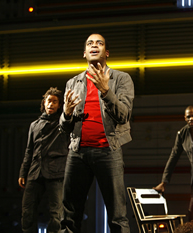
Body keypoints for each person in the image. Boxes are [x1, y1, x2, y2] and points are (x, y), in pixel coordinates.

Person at [60, 33, 134, 233]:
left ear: (106, 52)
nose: (94, 46)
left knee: (118, 215)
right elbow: (64, 127)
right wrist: (66, 114)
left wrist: (105, 91)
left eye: (99, 43)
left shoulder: (121, 79)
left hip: (108, 151)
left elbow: (124, 115)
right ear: (84, 53)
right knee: (69, 215)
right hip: (77, 152)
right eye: (90, 44)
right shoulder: (72, 83)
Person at [18, 87, 69, 233]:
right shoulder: (34, 125)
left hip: (56, 172)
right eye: (49, 101)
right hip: (35, 172)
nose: (51, 104)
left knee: (57, 214)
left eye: (55, 102)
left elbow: (69, 121)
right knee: (27, 211)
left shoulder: (62, 123)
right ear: (44, 103)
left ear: (59, 105)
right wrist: (23, 173)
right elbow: (29, 151)